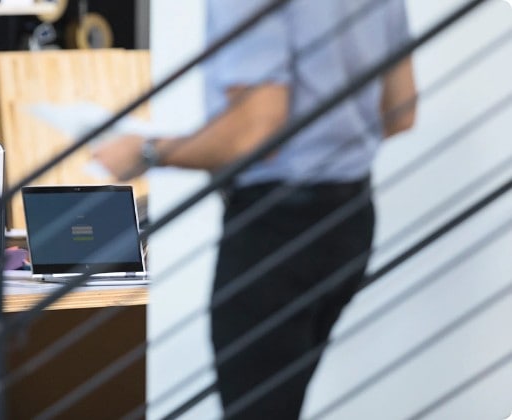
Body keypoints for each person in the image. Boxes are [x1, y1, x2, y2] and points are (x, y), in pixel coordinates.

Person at [93, 0, 416, 418]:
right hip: (350, 218)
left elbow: (255, 130)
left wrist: (148, 152)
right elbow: (400, 109)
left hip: (276, 229)